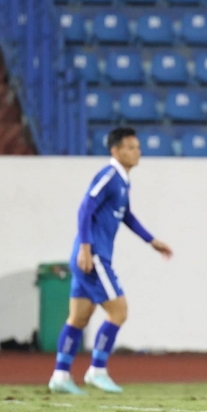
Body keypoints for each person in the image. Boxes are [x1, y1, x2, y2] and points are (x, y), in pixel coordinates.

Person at [48, 127, 173, 394]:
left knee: (78, 318)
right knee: (119, 311)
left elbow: (126, 215)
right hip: (93, 258)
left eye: (138, 147)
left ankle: (60, 375)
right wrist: (85, 247)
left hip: (88, 257)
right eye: (130, 147)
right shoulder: (109, 175)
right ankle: (97, 370)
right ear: (115, 150)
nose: (137, 151)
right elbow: (85, 207)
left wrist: (151, 240)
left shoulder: (123, 181)